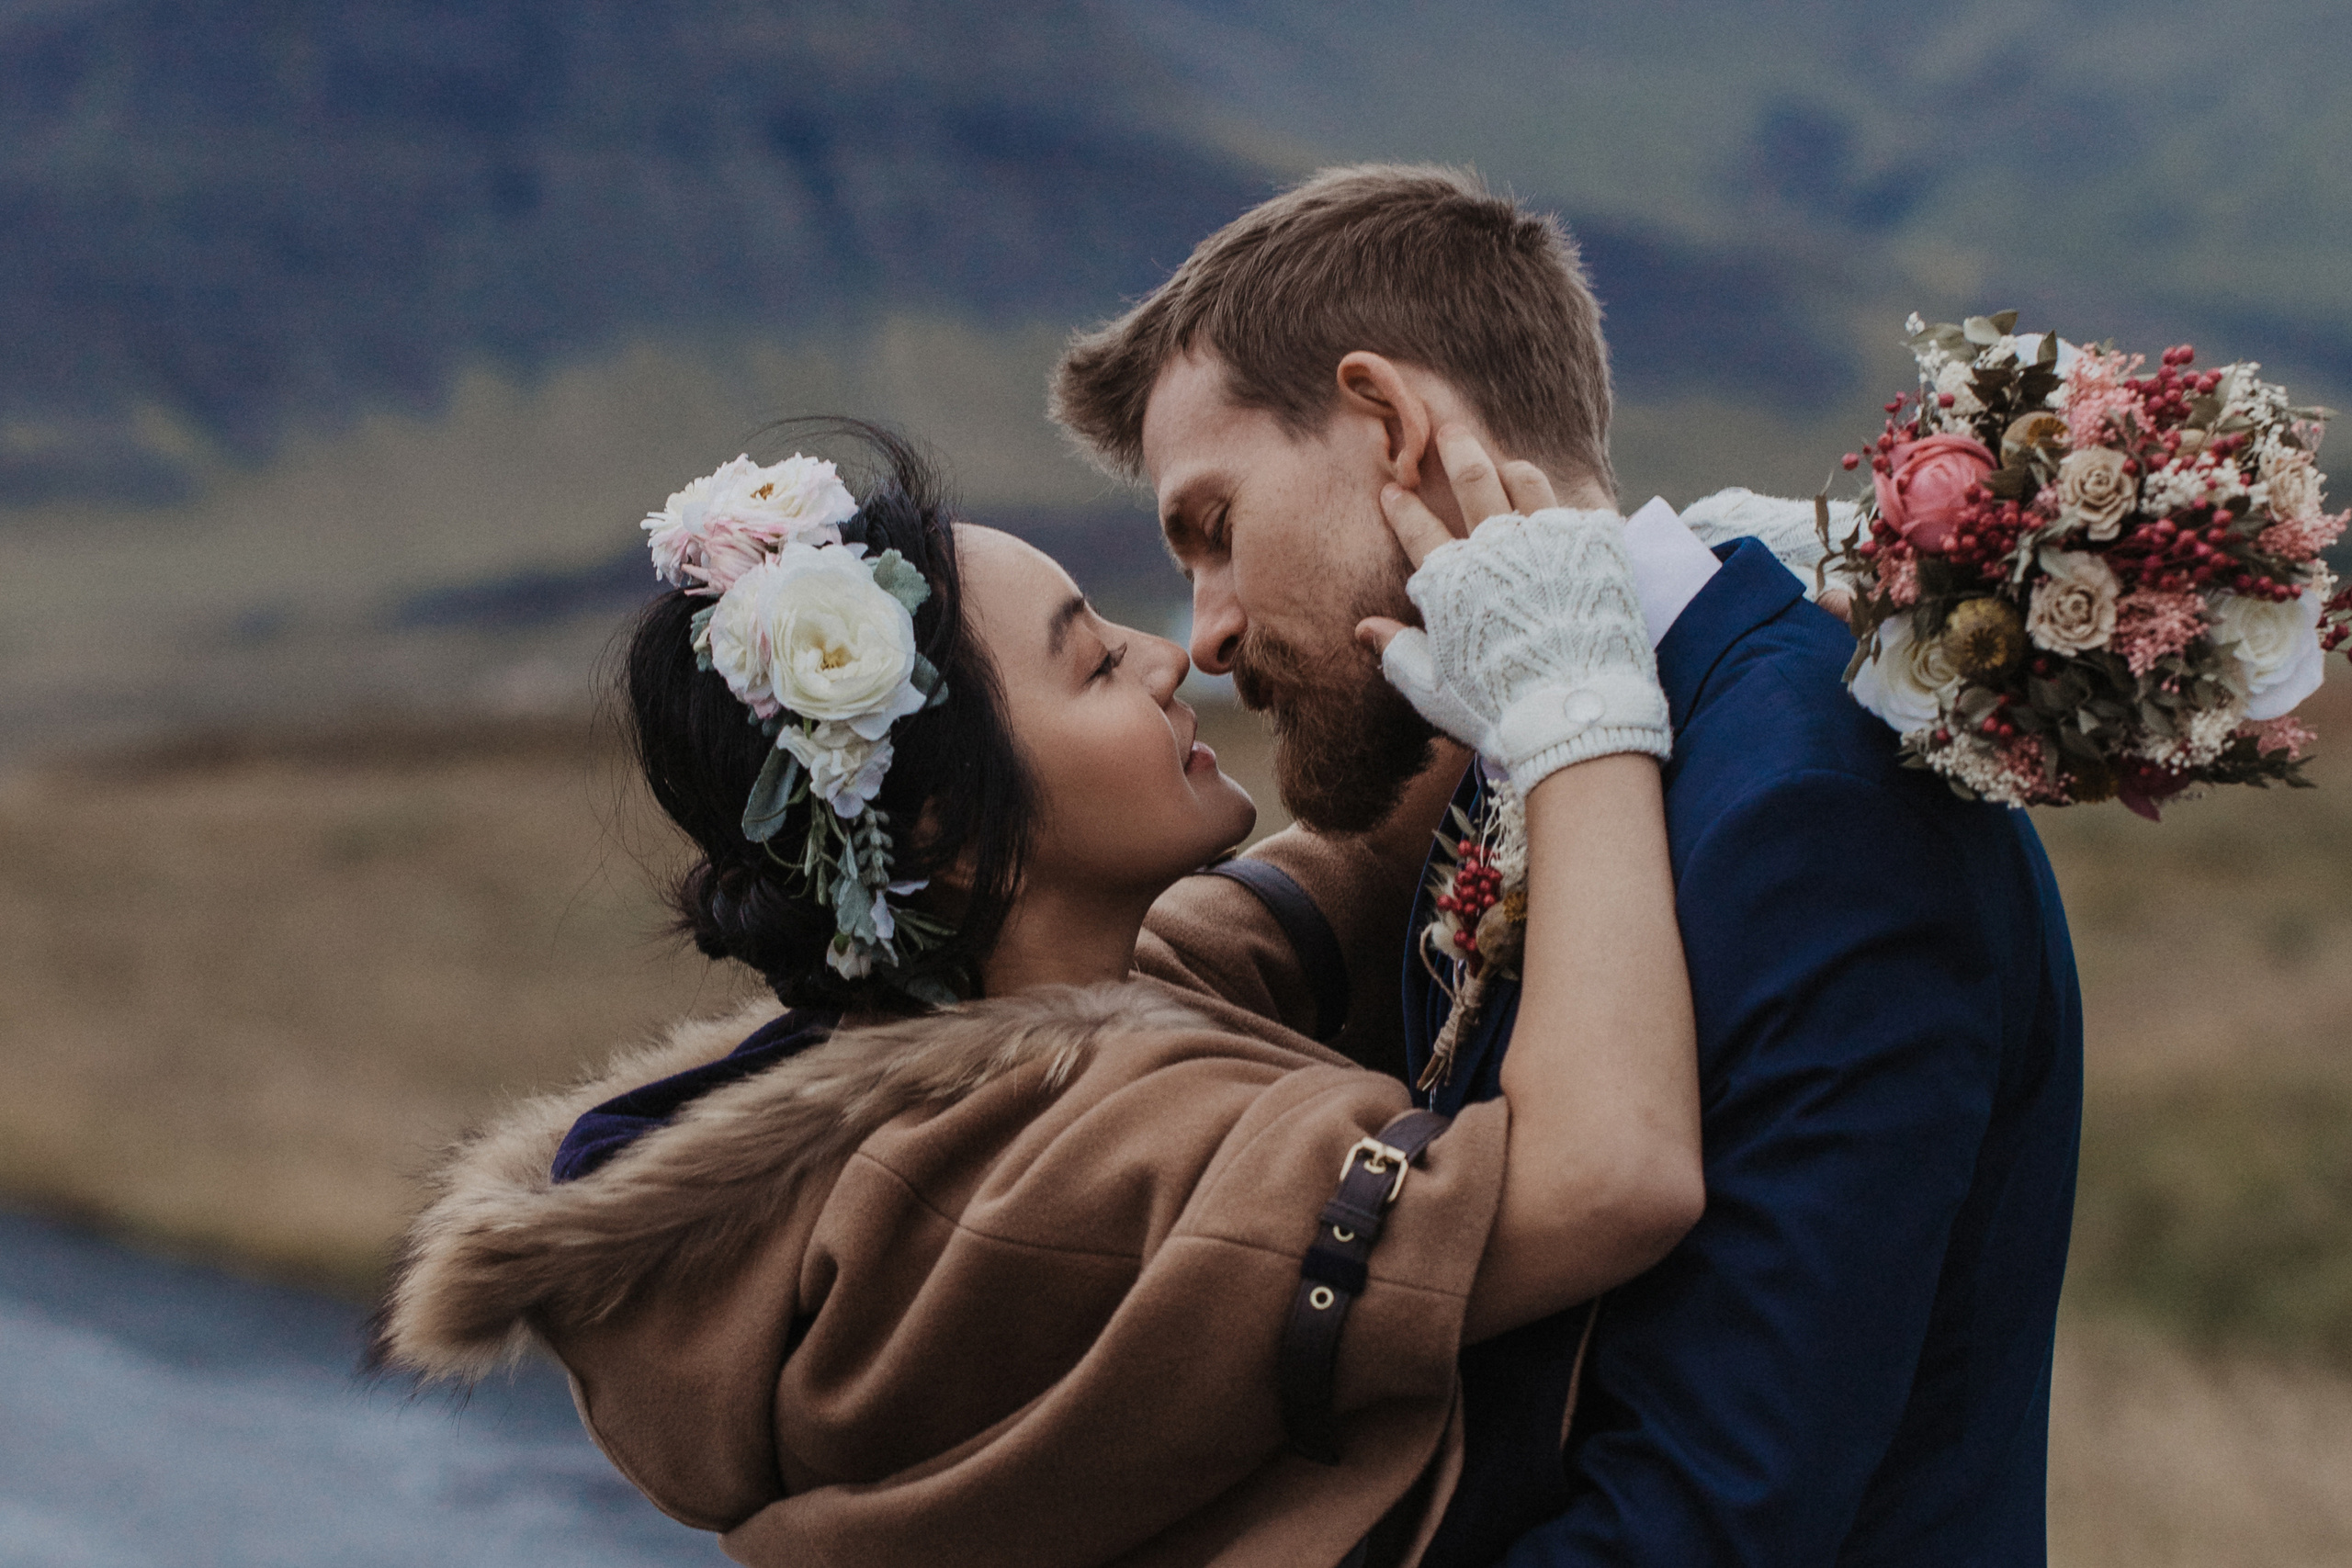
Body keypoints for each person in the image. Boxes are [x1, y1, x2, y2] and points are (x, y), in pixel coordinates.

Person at [371, 425, 1703, 1568]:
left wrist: (1672, 581)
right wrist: (1579, 698)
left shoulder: (989, 1045)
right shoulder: (1033, 1186)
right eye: (1090, 663)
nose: (1169, 654)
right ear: (956, 835)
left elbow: (1339, 876)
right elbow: (1611, 1178)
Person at [1052, 164, 2084, 1565]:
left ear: (1391, 426)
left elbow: (1714, 1516)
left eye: (1214, 530)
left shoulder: (1812, 794)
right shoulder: (1556, 742)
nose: (1210, 632)